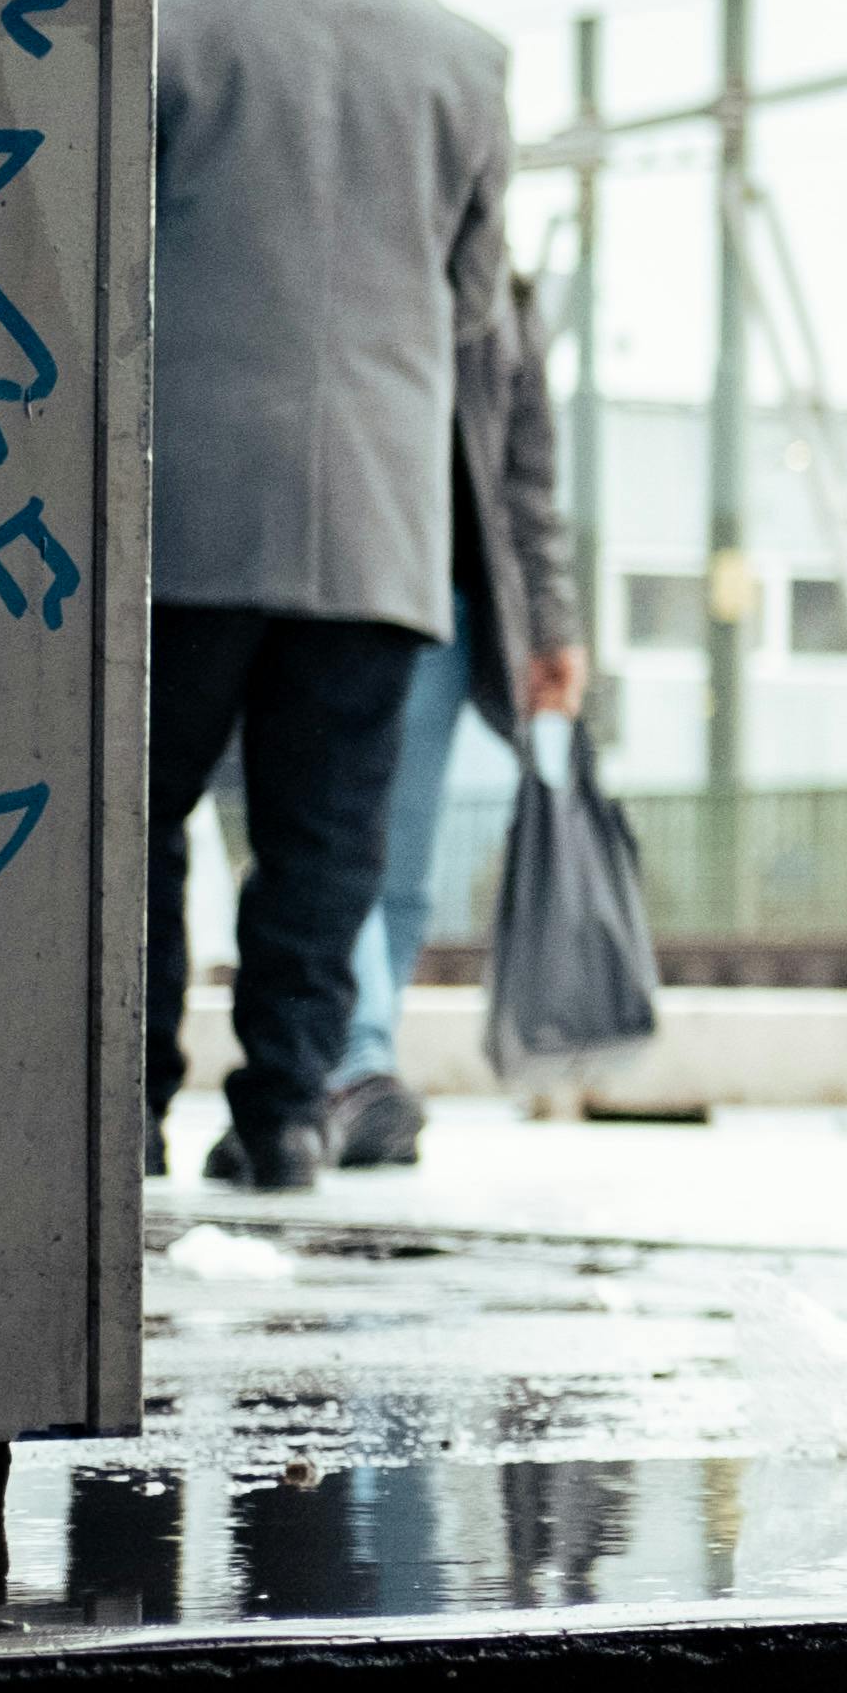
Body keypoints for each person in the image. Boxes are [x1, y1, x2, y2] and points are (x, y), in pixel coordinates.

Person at [146, 0, 521, 1195]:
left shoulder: (174, 18)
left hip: (182, 518)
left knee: (141, 817)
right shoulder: (466, 61)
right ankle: (286, 1116)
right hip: (376, 530)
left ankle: (121, 1102)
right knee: (323, 838)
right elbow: (476, 310)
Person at [316, 261, 582, 1169]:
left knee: (402, 871)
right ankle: (357, 1059)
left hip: (453, 609)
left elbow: (530, 483)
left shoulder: (505, 303)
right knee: (341, 841)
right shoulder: (364, 265)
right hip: (351, 591)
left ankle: (360, 1069)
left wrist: (552, 625)